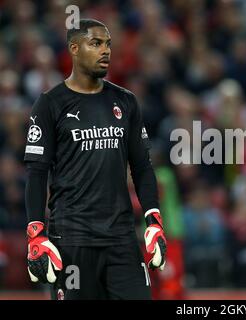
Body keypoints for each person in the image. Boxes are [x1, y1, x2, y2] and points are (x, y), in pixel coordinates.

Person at [23, 19, 167, 300]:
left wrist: (154, 220)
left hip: (122, 239)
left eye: (108, 44)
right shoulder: (50, 104)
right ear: (74, 49)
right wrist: (36, 233)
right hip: (72, 240)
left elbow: (142, 168)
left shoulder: (126, 102)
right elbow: (37, 174)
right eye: (96, 43)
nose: (106, 51)